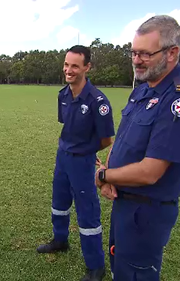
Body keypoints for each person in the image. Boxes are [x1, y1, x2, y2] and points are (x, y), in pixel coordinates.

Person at [95, 15, 180, 280]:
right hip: (123, 204)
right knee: (120, 270)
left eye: (145, 53)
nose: (136, 60)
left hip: (145, 214)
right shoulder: (144, 89)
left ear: (172, 53)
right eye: (133, 52)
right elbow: (122, 138)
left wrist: (103, 176)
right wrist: (109, 174)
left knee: (135, 274)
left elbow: (151, 172)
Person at [37, 45, 115, 281]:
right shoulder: (62, 94)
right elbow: (67, 127)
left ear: (87, 67)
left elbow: (106, 139)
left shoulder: (97, 101)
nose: (68, 70)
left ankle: (96, 266)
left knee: (87, 212)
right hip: (63, 157)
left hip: (82, 162)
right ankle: (60, 240)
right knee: (59, 202)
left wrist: (86, 152)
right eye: (66, 64)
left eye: (75, 66)